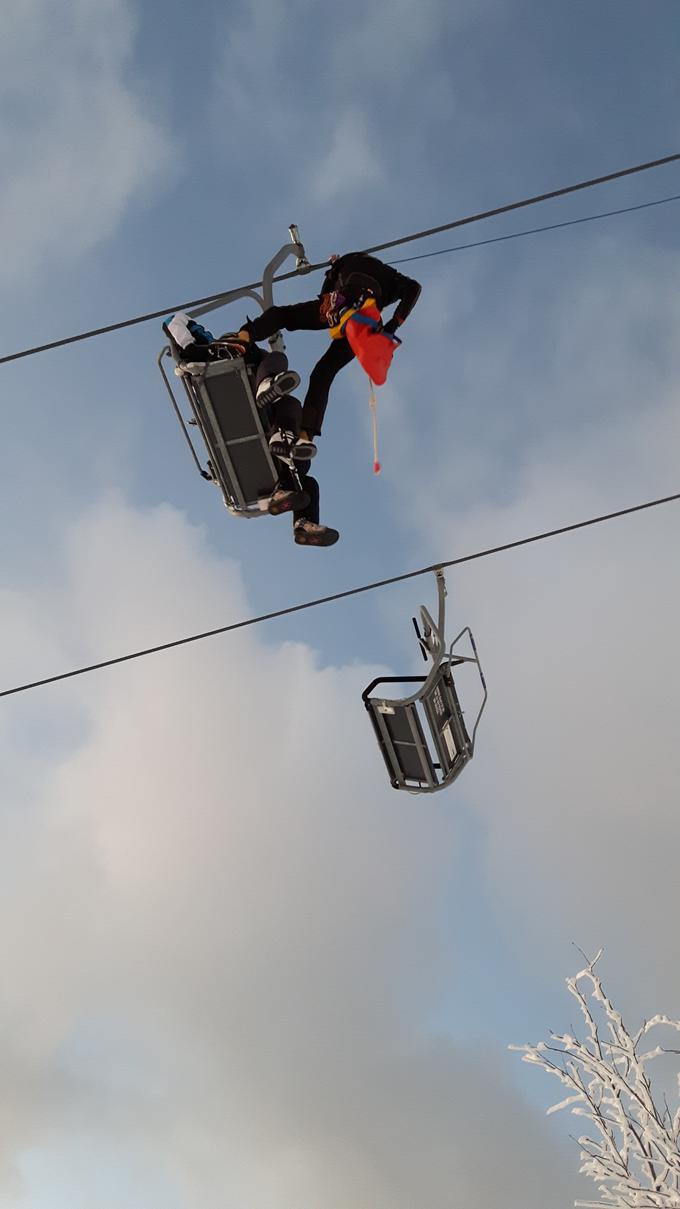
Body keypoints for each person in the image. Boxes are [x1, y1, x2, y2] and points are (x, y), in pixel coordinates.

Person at [237, 252, 421, 458]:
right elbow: (414, 288)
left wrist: (333, 276)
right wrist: (391, 327)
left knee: (282, 315)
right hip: (367, 326)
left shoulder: (343, 266)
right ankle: (304, 436)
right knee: (323, 373)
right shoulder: (392, 277)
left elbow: (324, 298)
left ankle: (242, 339)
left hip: (343, 303)